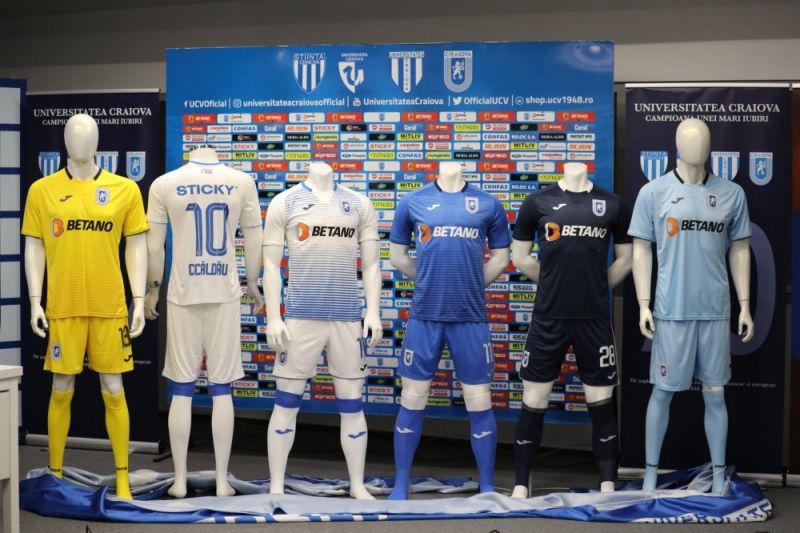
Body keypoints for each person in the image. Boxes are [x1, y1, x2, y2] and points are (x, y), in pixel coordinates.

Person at [22, 113, 148, 499]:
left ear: (98, 140)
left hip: (110, 306)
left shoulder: (125, 189)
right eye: (74, 135)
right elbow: (34, 245)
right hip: (63, 305)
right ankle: (55, 474)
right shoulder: (42, 190)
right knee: (61, 386)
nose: (82, 141)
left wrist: (139, 300)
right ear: (64, 141)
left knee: (114, 387)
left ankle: (122, 478)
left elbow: (136, 245)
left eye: (88, 135)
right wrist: (35, 301)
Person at [628, 118, 754, 494]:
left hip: (715, 310)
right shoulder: (654, 192)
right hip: (672, 310)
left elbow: (741, 249)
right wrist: (644, 304)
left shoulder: (732, 194)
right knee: (662, 392)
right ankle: (650, 475)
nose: (697, 147)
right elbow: (640, 250)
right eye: (689, 140)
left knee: (716, 396)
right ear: (677, 145)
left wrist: (745, 305)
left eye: (703, 141)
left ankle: (718, 476)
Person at [144, 146, 262, 497]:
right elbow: (254, 236)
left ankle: (180, 480)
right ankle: (222, 481)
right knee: (222, 389)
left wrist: (152, 289)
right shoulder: (241, 181)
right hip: (224, 292)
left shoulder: (165, 183)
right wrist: (253, 282)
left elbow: (154, 247)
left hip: (183, 292)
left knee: (182, 389)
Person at [388, 161, 510, 499]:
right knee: (412, 398)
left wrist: (470, 285)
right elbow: (397, 256)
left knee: (479, 400)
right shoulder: (413, 201)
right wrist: (430, 280)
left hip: (470, 317)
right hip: (425, 316)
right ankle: (401, 483)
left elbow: (501, 257)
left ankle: (487, 485)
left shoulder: (488, 203)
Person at [510, 162, 632, 497]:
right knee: (533, 399)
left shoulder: (613, 204)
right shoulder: (537, 202)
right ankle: (521, 483)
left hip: (594, 319)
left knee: (601, 400)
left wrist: (598, 287)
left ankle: (607, 482)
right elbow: (520, 256)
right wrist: (552, 282)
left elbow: (626, 258)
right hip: (548, 317)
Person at [262, 161, 382, 499]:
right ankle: (276, 485)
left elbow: (372, 264)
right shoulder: (285, 202)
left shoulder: (359, 203)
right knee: (286, 402)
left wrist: (373, 312)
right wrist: (273, 316)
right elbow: (270, 264)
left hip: (347, 318)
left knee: (352, 404)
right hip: (300, 318)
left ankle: (356, 484)